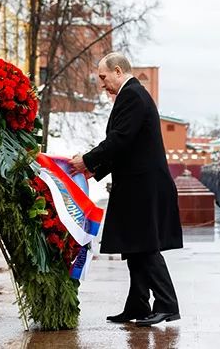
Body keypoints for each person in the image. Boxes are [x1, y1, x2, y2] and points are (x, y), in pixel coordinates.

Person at [69, 52, 183, 327]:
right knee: (135, 246)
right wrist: (94, 169)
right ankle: (138, 304)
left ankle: (167, 304)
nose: (101, 84)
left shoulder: (132, 95)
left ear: (118, 71)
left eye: (103, 77)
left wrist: (87, 160)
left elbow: (120, 139)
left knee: (145, 247)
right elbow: (126, 147)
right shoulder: (133, 94)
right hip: (138, 184)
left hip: (143, 186)